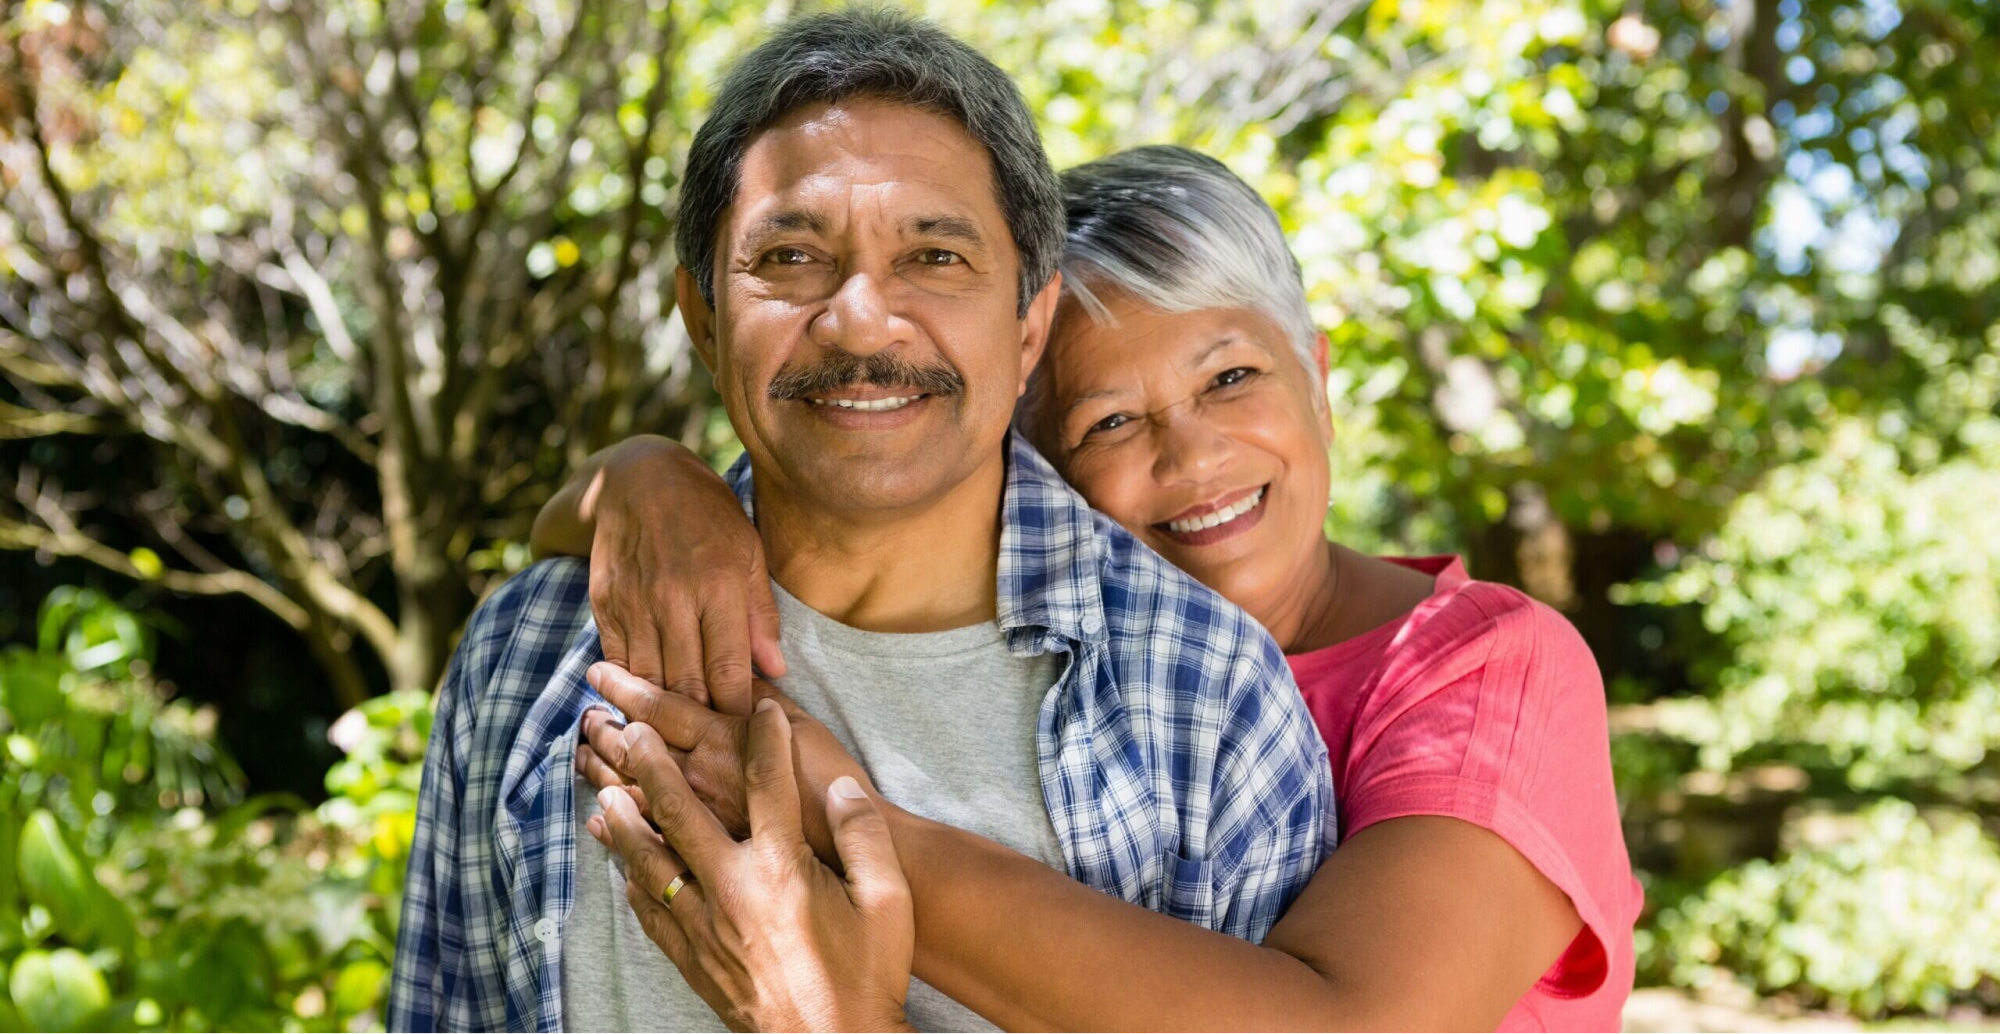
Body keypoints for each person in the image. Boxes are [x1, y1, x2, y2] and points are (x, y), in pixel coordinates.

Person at [541, 145, 1644, 1030]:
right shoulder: (1025, 670)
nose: (1191, 452)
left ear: (1316, 372)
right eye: (1108, 420)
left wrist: (832, 823)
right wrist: (641, 475)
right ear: (1027, 466)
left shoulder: (1482, 667)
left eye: (1231, 377)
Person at [387, 11, 1335, 1032]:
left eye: (933, 256)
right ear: (703, 316)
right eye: (790, 256)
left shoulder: (1203, 700)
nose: (859, 320)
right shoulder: (532, 649)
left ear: (1027, 325)